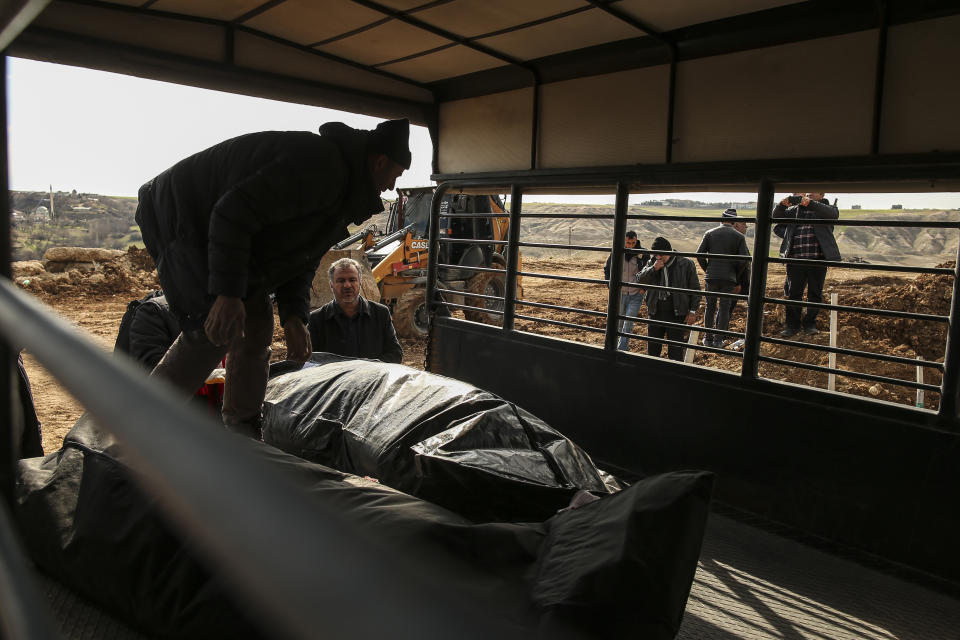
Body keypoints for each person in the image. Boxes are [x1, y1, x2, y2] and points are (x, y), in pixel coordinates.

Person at [136, 118, 411, 438]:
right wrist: (227, 294)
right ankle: (142, 425)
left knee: (257, 318)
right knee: (214, 328)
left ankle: (243, 429)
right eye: (396, 174)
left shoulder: (342, 188)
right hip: (182, 215)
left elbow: (301, 255)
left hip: (229, 231)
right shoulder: (321, 167)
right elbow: (231, 214)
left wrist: (294, 317)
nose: (391, 186)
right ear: (379, 161)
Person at [308, 258, 403, 363]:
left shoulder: (380, 314)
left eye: (352, 280)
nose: (347, 285)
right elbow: (310, 359)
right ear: (331, 285)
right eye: (341, 280)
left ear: (360, 282)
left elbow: (395, 353)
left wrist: (368, 369)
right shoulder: (316, 319)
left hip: (372, 378)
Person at [772, 192, 840, 337]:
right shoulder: (794, 210)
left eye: (813, 192)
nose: (808, 193)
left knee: (814, 293)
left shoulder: (826, 207)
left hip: (818, 259)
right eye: (807, 192)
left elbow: (833, 215)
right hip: (795, 259)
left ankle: (810, 324)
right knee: (793, 293)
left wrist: (810, 203)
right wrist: (782, 204)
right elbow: (776, 217)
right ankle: (793, 326)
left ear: (821, 195)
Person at [636, 236, 701, 361]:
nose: (659, 258)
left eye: (662, 255)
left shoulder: (686, 264)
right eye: (656, 255)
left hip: (676, 314)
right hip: (655, 313)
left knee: (675, 352)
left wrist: (692, 311)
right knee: (653, 352)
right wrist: (654, 269)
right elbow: (639, 280)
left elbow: (695, 289)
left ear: (669, 251)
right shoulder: (652, 263)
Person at [696, 209, 749, 348]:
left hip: (711, 277)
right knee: (724, 308)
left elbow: (699, 254)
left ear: (721, 219)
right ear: (734, 221)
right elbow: (744, 260)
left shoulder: (710, 233)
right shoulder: (739, 237)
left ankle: (707, 339)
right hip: (729, 279)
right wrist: (736, 275)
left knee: (710, 307)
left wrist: (707, 269)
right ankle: (718, 341)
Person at [603, 230, 647, 350]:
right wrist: (611, 287)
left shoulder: (643, 253)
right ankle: (616, 347)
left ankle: (622, 348)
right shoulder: (617, 252)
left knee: (628, 321)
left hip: (635, 294)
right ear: (624, 241)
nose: (630, 245)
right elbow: (607, 269)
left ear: (636, 240)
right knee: (619, 321)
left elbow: (649, 273)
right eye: (628, 243)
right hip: (620, 294)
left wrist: (643, 289)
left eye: (633, 243)